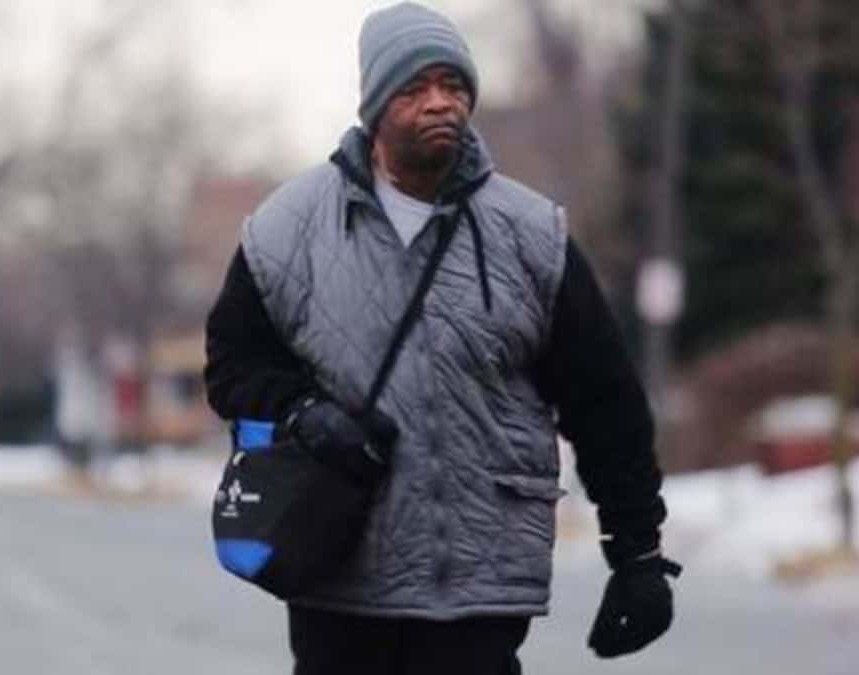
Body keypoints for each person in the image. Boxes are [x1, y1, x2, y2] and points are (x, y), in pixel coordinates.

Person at [203, 2, 681, 673]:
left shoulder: (530, 234)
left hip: (478, 589)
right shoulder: (288, 230)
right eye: (415, 88)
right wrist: (304, 414)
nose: (440, 104)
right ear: (375, 105)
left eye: (454, 87)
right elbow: (231, 365)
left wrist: (637, 553)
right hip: (339, 574)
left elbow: (605, 404)